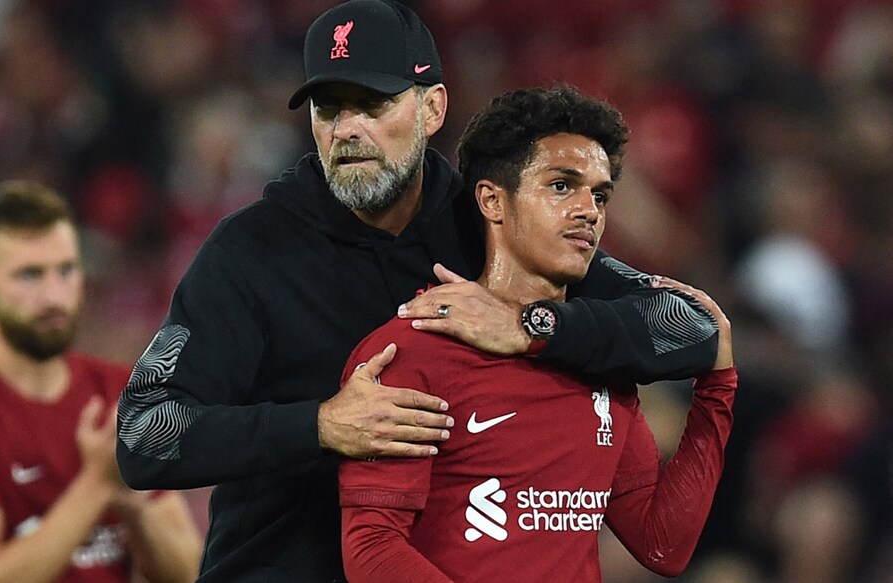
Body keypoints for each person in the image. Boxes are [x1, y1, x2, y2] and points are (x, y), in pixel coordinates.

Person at [116, 1, 720, 581]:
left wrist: (531, 327)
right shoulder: (252, 253)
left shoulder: (491, 225)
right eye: (329, 108)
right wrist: (320, 426)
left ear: (432, 110)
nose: (347, 130)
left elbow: (692, 329)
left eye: (373, 105)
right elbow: (144, 434)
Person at [338, 86, 737, 582]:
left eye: (600, 194)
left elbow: (662, 544)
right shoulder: (416, 351)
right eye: (561, 186)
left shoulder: (599, 365)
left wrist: (716, 393)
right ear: (492, 201)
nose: (589, 210)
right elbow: (372, 551)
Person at [0, 180, 204, 583]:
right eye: (30, 275)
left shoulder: (123, 392)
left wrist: (131, 497)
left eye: (67, 270)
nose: (54, 295)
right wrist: (97, 483)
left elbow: (190, 573)